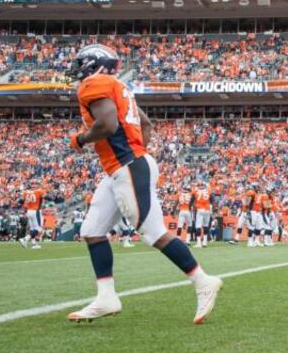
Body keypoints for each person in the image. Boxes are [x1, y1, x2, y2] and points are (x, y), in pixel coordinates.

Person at [64, 44, 222, 323]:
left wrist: (81, 139)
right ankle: (106, 297)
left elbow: (108, 125)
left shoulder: (94, 83)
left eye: (81, 63)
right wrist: (134, 155)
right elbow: (145, 125)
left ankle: (202, 281)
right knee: (92, 230)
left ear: (94, 64)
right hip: (124, 167)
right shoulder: (118, 87)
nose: (78, 69)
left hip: (127, 166)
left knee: (153, 233)